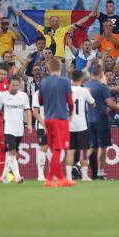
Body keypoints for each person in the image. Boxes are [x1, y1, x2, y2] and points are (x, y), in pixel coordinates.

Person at [38, 57, 75, 187]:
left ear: (49, 68)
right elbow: (70, 101)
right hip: (60, 118)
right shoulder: (65, 81)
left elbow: (40, 101)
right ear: (60, 68)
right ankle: (49, 179)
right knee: (59, 149)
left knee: (54, 149)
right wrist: (71, 113)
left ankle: (60, 178)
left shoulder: (43, 83)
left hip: (47, 119)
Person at [0, 76, 31, 184]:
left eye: (17, 85)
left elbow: (28, 111)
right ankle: (17, 177)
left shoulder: (23, 96)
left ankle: (4, 177)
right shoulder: (2, 96)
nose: (15, 87)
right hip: (8, 129)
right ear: (8, 84)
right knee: (12, 152)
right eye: (13, 85)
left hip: (19, 129)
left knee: (10, 154)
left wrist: (29, 124)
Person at [87, 64, 119, 180]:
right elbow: (110, 103)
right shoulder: (102, 87)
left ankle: (93, 172)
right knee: (102, 146)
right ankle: (101, 173)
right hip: (101, 120)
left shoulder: (87, 85)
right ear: (101, 74)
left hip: (89, 120)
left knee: (93, 146)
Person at [18, 10, 94, 59]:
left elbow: (78, 23)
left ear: (59, 23)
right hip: (48, 59)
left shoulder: (63, 30)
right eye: (53, 21)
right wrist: (22, 15)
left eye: (56, 21)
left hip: (60, 60)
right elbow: (32, 23)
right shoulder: (45, 30)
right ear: (50, 23)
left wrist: (89, 16)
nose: (55, 22)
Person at [66, 70, 95, 182]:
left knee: (70, 151)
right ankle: (84, 176)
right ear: (81, 79)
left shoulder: (67, 90)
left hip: (69, 126)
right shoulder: (84, 90)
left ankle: (68, 177)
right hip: (82, 126)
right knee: (83, 151)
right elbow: (93, 103)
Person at [32, 89, 49, 181]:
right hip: (42, 126)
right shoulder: (37, 94)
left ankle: (53, 174)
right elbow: (35, 113)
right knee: (44, 148)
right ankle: (41, 175)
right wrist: (44, 125)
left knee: (54, 149)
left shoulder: (55, 91)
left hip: (54, 125)